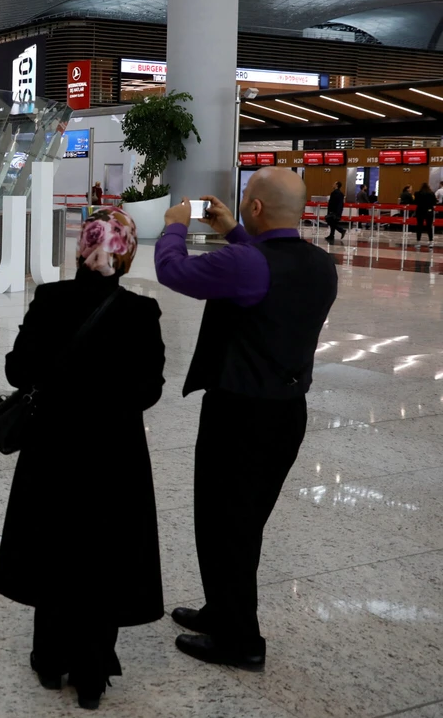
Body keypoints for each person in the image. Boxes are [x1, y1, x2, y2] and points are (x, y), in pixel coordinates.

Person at [155, 169, 338, 671]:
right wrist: (233, 230)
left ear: (256, 208)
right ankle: (222, 611)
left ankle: (241, 640)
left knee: (223, 524)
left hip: (239, 414)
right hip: (286, 413)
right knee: (240, 523)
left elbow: (174, 272)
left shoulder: (247, 263)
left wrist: (173, 225)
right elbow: (262, 276)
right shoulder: (321, 265)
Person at [0, 207, 165, 711]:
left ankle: (48, 658)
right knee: (104, 551)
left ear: (79, 250)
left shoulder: (49, 300)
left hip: (52, 449)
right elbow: (148, 391)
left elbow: (16, 371)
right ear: (127, 256)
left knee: (53, 543)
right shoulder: (141, 313)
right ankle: (93, 671)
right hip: (116, 455)